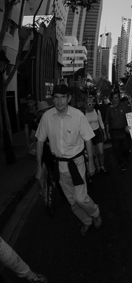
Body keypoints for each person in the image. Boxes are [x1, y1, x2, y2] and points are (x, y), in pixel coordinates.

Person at [35, 84, 102, 237]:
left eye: (63, 97)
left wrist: (91, 162)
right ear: (53, 99)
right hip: (59, 165)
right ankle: (87, 221)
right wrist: (39, 168)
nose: (59, 101)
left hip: (77, 163)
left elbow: (88, 139)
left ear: (69, 98)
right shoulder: (47, 117)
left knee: (81, 198)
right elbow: (39, 141)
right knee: (72, 201)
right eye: (56, 98)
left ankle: (96, 212)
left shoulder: (78, 115)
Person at [105, 91, 132, 172]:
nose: (117, 99)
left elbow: (131, 113)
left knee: (126, 148)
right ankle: (121, 163)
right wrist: (107, 133)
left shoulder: (123, 105)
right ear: (111, 99)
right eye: (115, 98)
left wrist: (130, 102)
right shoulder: (109, 109)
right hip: (114, 132)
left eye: (118, 97)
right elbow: (107, 122)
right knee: (116, 149)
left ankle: (125, 158)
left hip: (124, 131)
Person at [84, 96, 107, 173]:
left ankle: (102, 166)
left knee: (101, 152)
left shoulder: (97, 111)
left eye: (92, 104)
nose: (91, 105)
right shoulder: (83, 114)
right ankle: (98, 167)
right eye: (89, 104)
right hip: (89, 134)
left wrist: (104, 133)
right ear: (86, 104)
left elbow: (101, 122)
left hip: (98, 132)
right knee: (94, 153)